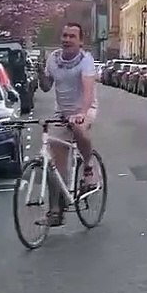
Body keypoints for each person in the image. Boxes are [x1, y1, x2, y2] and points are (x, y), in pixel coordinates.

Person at [37, 22, 97, 227]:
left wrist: (81, 113)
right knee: (54, 163)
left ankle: (88, 166)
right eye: (64, 36)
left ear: (81, 41)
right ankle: (55, 212)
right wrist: (40, 73)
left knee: (79, 128)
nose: (67, 40)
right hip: (61, 113)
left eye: (72, 36)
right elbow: (46, 87)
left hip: (85, 109)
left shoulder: (85, 61)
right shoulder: (53, 59)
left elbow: (88, 92)